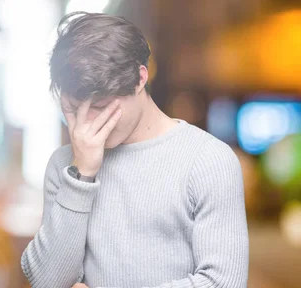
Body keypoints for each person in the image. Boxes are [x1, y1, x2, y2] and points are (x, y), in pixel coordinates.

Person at [20, 12, 249, 288]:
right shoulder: (64, 165)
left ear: (140, 78)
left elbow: (224, 282)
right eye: (72, 110)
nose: (87, 125)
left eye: (101, 107)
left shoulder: (208, 160)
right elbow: (48, 282)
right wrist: (81, 174)